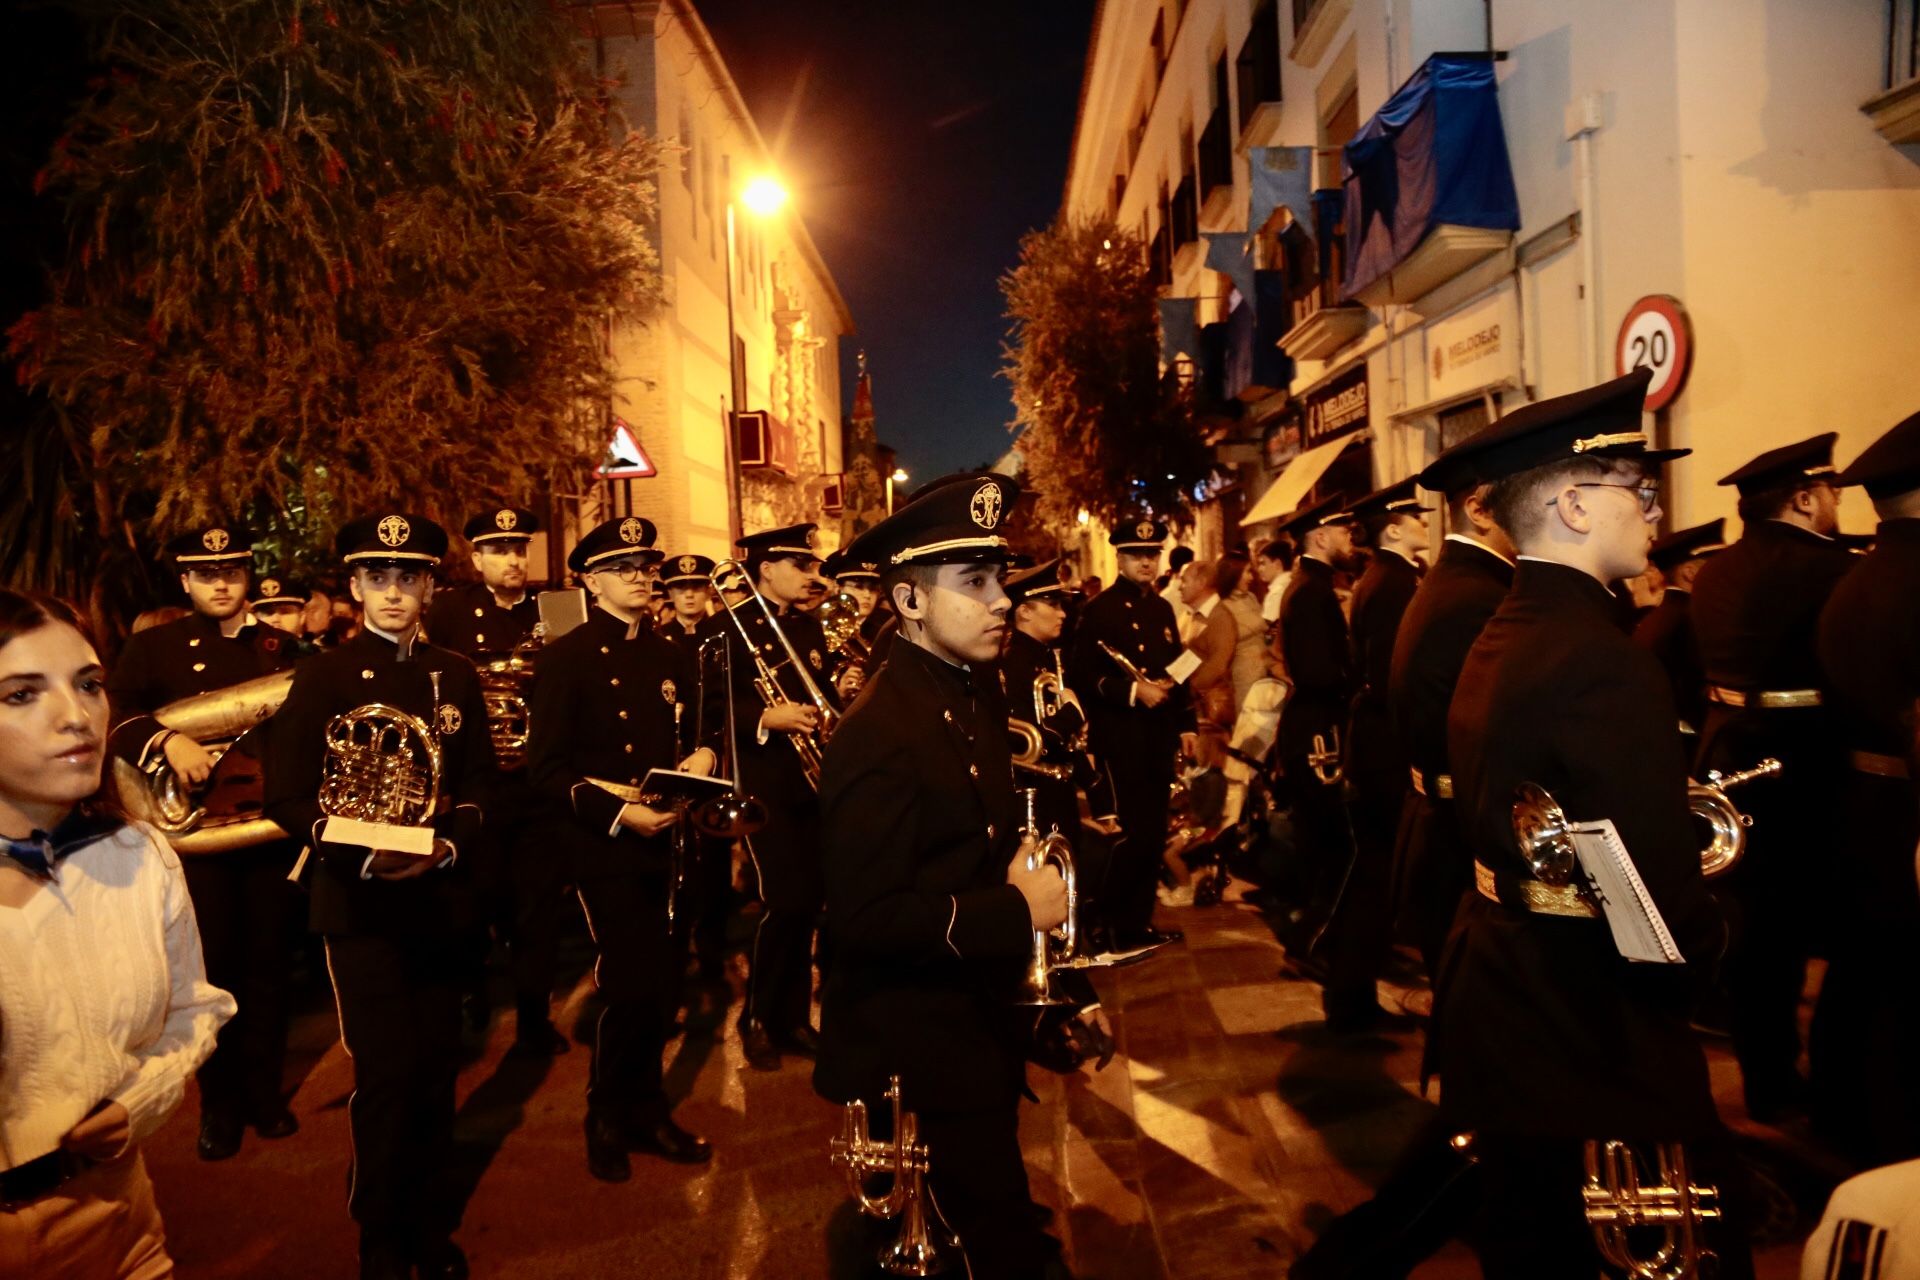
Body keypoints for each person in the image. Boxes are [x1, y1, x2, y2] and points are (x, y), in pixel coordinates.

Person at [1435, 368, 1749, 1277]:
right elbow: (1655, 901)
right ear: (1575, 504)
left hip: (1507, 995)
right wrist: (1716, 941)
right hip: (1586, 1019)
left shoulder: (1509, 626)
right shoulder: (1599, 660)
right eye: (1637, 490)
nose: (1654, 509)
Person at [814, 471, 1072, 1280]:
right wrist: (1013, 910)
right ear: (910, 601)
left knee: (997, 1216)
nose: (1001, 599)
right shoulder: (879, 729)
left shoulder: (970, 690)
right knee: (995, 1243)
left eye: (999, 578)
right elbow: (864, 917)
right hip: (916, 1041)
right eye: (975, 582)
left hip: (973, 1018)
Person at [263, 512, 492, 1280]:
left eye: (410, 577)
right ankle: (380, 1233)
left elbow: (482, 782)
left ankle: (427, 1218)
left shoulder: (455, 672)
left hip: (438, 896)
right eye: (379, 578)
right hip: (358, 906)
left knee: (435, 1069)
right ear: (356, 586)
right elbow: (286, 795)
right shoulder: (324, 675)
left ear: (429, 585)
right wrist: (351, 846)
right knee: (386, 1075)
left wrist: (450, 843)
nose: (394, 592)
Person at [0, 591, 235, 1280]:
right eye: (20, 694)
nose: (77, 717)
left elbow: (196, 1010)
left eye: (90, 685)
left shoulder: (137, 855)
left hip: (124, 1217)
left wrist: (139, 1101)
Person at [106, 522, 304, 1161]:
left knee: (271, 969)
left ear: (247, 576)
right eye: (207, 574)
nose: (221, 583)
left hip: (267, 835)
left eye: (233, 572)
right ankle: (218, 1105)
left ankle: (266, 1094)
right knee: (210, 974)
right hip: (195, 842)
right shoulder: (154, 648)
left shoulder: (283, 646)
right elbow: (113, 717)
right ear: (186, 581)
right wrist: (166, 739)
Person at [527, 517, 717, 1181]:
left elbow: (699, 727)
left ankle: (647, 1107)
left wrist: (704, 753)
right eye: (624, 567)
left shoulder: (668, 652)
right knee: (632, 983)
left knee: (664, 984)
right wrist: (621, 814)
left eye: (645, 565)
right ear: (591, 579)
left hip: (670, 835)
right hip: (606, 844)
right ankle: (606, 1112)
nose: (642, 577)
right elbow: (545, 770)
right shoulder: (567, 656)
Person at [1688, 432, 1855, 1121]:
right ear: (1806, 497)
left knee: (1752, 930)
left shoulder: (1718, 569)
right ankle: (1804, 1084)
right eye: (1833, 493)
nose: (1837, 504)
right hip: (1801, 757)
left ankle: (1762, 1074)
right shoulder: (1832, 570)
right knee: (1812, 928)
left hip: (1725, 746)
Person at [1811, 407, 1920, 1166]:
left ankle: (1843, 1121)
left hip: (1858, 802)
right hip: (1911, 811)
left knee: (1863, 974)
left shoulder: (1854, 579)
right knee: (1908, 990)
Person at [424, 507, 570, 1057]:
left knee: (537, 908)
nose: (513, 560)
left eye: (519, 549)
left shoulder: (555, 607)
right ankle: (473, 995)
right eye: (499, 551)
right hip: (477, 781)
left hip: (536, 783)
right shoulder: (450, 610)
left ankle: (535, 1016)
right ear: (477, 557)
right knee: (471, 903)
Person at [696, 522, 838, 1070]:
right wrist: (764, 718)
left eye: (812, 565)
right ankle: (755, 1017)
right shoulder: (721, 630)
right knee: (779, 902)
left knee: (807, 903)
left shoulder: (807, 629)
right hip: (762, 786)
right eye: (801, 566)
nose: (811, 575)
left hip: (811, 785)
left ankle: (794, 1017)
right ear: (766, 569)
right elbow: (708, 712)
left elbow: (821, 696)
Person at [1323, 479, 1430, 1030]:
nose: (1425, 520)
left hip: (1377, 742)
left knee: (1378, 874)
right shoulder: (1392, 583)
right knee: (1379, 874)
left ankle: (1350, 994)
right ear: (1394, 527)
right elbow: (1395, 675)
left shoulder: (1385, 578)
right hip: (1386, 747)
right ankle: (1349, 997)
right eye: (1415, 516)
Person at [1067, 516, 1194, 950]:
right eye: (1137, 555)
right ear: (1119, 557)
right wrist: (1132, 691)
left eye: (1153, 554)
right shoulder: (1098, 610)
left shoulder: (1161, 608)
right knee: (1129, 835)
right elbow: (1083, 677)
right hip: (1121, 740)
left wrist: (1187, 723)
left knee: (1155, 833)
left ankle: (1135, 922)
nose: (1146, 562)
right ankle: (1106, 919)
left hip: (1157, 738)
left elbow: (1178, 669)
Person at [1274, 496, 1359, 950]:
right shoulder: (1311, 591)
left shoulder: (1314, 585)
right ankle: (1315, 938)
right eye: (1344, 531)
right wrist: (1355, 682)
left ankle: (1316, 934)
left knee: (1325, 839)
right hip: (1316, 731)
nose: (1351, 539)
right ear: (1321, 537)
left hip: (1316, 723)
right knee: (1329, 842)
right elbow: (1317, 673)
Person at [1632, 519, 1726, 742]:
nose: (1726, 572)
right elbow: (1694, 694)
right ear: (1690, 572)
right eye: (1716, 565)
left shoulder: (1664, 615)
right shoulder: (1690, 618)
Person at [252, 572, 312, 639]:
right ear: (255, 617)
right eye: (267, 613)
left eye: (285, 612)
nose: (275, 619)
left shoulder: (314, 650)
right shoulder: (242, 649)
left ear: (302, 617)